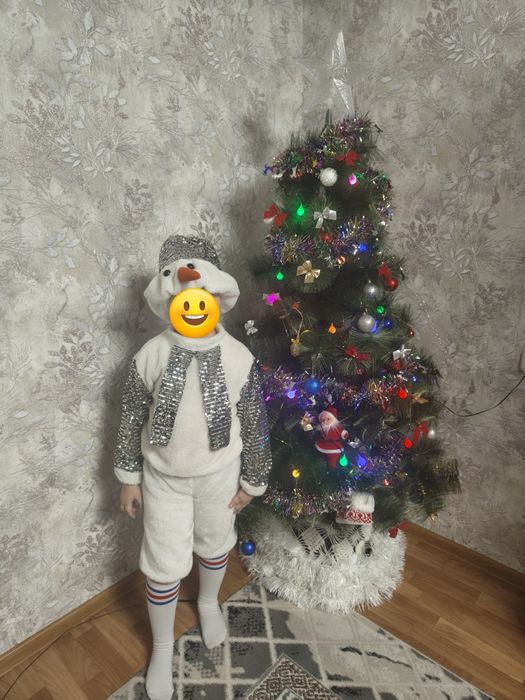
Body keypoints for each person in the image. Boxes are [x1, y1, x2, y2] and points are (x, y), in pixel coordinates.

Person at [114, 234, 271, 700]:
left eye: (202, 297)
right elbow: (130, 417)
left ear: (217, 298)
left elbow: (255, 421)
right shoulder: (150, 356)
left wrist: (253, 480)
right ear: (170, 303)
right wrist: (128, 478)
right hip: (164, 480)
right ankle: (162, 646)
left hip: (220, 475)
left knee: (215, 544)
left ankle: (207, 601)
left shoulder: (239, 358)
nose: (194, 306)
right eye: (184, 298)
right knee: (163, 566)